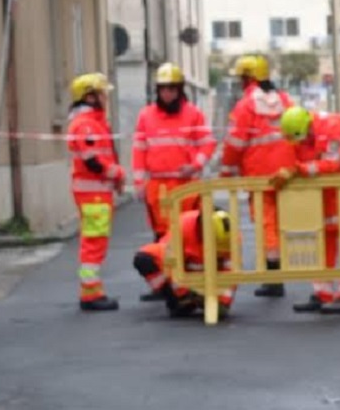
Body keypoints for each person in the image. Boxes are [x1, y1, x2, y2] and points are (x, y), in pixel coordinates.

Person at [133, 63, 216, 302]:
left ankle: (187, 281)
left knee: (186, 233)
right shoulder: (146, 116)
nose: (167, 93)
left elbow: (207, 142)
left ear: (179, 90)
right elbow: (139, 149)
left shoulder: (193, 113)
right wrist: (139, 181)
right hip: (157, 186)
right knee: (161, 235)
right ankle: (165, 282)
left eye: (171, 89)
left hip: (186, 184)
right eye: (163, 89)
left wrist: (195, 164)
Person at [272, 106, 340, 314]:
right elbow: (301, 160)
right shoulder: (303, 134)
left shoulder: (332, 128)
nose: (300, 143)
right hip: (327, 194)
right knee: (323, 243)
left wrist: (300, 170)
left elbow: (332, 163)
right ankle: (322, 293)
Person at [220, 55, 295, 298]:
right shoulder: (285, 100)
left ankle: (273, 276)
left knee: (266, 223)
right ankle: (279, 271)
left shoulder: (245, 106)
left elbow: (235, 143)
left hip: (259, 174)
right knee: (283, 222)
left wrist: (227, 170)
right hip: (287, 172)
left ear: (247, 79)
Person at [67, 72, 125, 312]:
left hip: (96, 193)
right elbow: (92, 162)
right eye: (102, 94)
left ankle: (92, 290)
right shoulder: (86, 124)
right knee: (93, 243)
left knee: (95, 242)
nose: (105, 98)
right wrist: (117, 173)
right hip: (93, 195)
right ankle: (90, 294)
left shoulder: (93, 122)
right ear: (90, 97)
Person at [133, 209, 237, 318]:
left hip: (210, 278)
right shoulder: (182, 228)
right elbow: (170, 265)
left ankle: (197, 300)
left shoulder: (230, 235)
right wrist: (184, 295)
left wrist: (223, 302)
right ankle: (178, 301)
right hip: (184, 274)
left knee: (219, 310)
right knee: (144, 259)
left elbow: (230, 271)